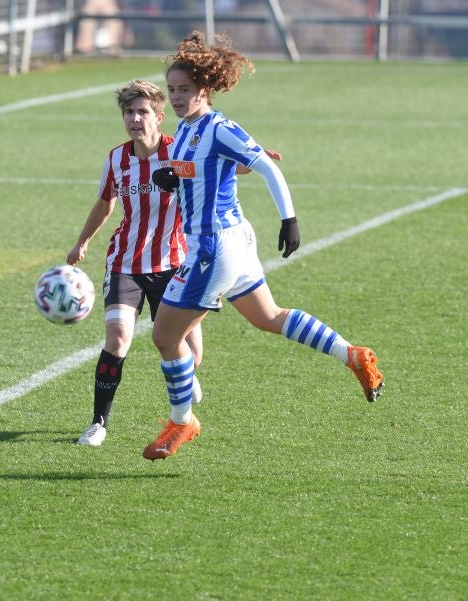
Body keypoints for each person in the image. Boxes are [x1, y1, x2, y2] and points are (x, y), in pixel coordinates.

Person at [143, 31, 385, 460]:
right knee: (268, 317)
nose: (176, 97)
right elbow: (206, 172)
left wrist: (289, 219)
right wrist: (173, 177)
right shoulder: (185, 131)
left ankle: (182, 421)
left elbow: (268, 169)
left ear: (205, 89)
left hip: (213, 246)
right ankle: (352, 354)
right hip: (233, 241)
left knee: (165, 337)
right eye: (172, 90)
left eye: (184, 90)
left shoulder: (219, 127)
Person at [66, 80, 204, 446]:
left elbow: (214, 172)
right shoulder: (116, 158)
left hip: (174, 265)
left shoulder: (179, 153)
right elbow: (105, 203)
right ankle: (98, 423)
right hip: (125, 262)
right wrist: (82, 242)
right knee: (118, 338)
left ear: (159, 117)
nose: (135, 119)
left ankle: (187, 374)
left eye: (142, 112)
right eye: (129, 112)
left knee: (190, 351)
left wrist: (253, 161)